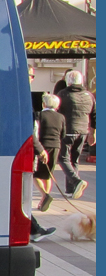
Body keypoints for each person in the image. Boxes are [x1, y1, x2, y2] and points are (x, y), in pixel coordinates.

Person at [56, 69, 96, 200]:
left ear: (68, 82)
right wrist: (93, 132)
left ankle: (76, 181)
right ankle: (71, 189)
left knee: (63, 158)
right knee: (75, 159)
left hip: (67, 130)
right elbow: (95, 115)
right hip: (83, 131)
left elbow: (57, 112)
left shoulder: (63, 94)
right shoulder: (89, 95)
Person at [34, 93, 66, 211]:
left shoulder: (39, 115)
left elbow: (36, 132)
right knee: (48, 174)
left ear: (44, 104)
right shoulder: (61, 117)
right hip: (56, 146)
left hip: (43, 146)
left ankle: (44, 195)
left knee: (35, 174)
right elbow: (63, 134)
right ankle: (44, 199)